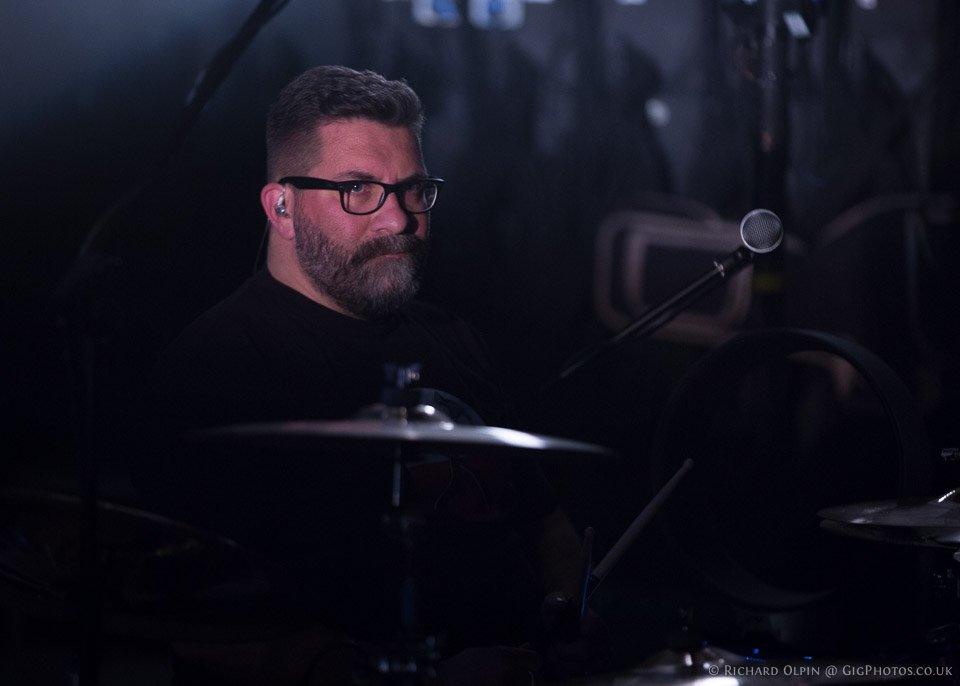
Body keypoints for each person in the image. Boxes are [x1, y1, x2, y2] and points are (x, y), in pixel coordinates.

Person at [133, 65, 603, 685]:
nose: (398, 220)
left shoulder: (452, 336)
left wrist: (572, 610)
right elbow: (196, 621)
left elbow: (543, 523)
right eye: (358, 189)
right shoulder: (217, 363)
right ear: (281, 207)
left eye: (414, 190)